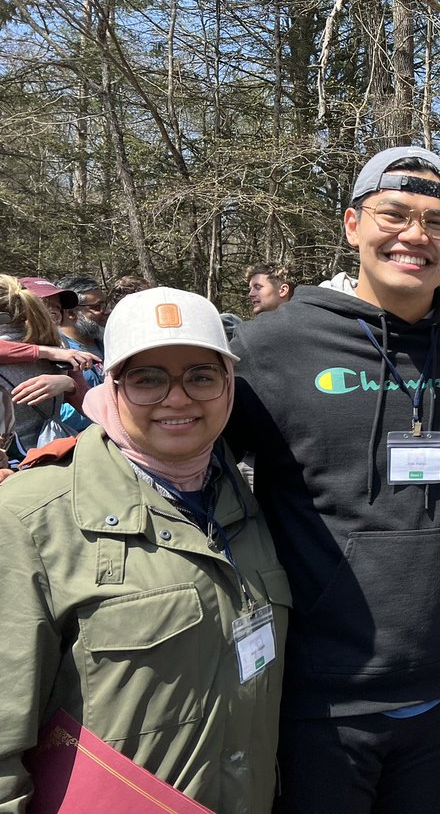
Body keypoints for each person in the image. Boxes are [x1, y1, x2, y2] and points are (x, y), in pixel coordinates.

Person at [226, 146, 440, 814]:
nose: (415, 235)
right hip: (321, 694)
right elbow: (181, 461)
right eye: (395, 214)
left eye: (437, 222)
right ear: (353, 225)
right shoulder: (272, 348)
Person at [0, 287, 289, 813]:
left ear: (230, 386)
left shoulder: (248, 504)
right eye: (147, 378)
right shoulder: (29, 520)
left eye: (201, 375)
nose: (177, 398)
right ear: (109, 386)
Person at [0, 276, 90, 457]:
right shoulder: (59, 348)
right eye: (46, 304)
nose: (54, 312)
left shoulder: (61, 344)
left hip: (43, 454)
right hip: (39, 458)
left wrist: (68, 384)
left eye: (58, 307)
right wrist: (44, 352)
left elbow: (88, 405)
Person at [56, 275, 107, 386]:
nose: (106, 311)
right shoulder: (58, 355)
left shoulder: (107, 343)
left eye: (105, 305)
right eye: (97, 307)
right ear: (71, 313)